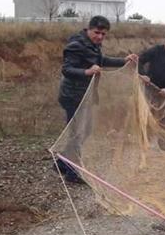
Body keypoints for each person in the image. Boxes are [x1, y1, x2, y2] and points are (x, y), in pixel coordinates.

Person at [56, 15, 138, 182]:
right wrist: (86, 72)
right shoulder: (76, 45)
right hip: (72, 96)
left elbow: (102, 61)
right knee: (77, 133)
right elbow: (67, 69)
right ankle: (73, 173)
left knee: (85, 131)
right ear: (89, 29)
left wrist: (124, 61)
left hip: (86, 95)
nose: (100, 37)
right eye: (97, 33)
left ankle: (62, 162)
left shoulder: (94, 45)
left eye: (103, 34)